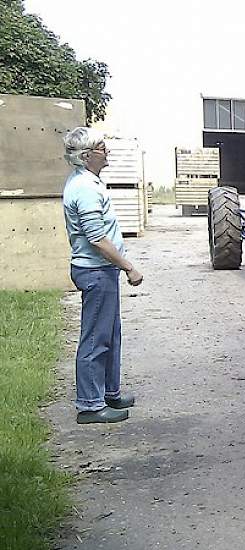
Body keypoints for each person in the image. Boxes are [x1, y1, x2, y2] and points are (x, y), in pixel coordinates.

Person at [62, 127, 143, 424]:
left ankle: (108, 392)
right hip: (96, 271)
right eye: (100, 147)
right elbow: (97, 238)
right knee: (96, 338)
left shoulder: (88, 182)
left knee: (109, 334)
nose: (106, 150)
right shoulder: (84, 188)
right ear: (86, 156)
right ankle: (90, 405)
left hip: (101, 271)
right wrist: (128, 266)